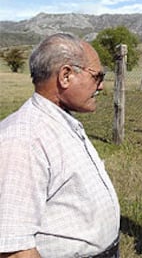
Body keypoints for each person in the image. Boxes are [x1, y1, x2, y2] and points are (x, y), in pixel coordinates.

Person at [0, 33, 120, 258]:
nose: (101, 86)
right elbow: (15, 250)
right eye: (97, 76)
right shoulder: (23, 140)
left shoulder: (56, 121)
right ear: (65, 76)